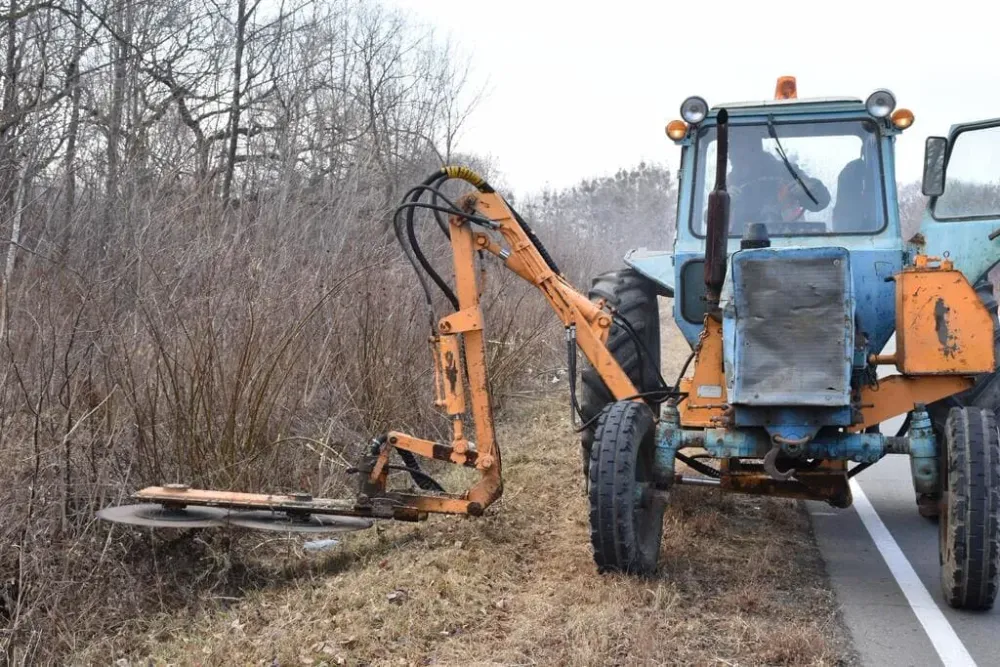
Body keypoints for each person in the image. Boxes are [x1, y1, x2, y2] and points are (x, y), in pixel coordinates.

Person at [725, 127, 831, 233]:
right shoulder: (728, 183)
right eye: (732, 153)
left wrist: (808, 188)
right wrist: (724, 202)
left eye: (740, 152)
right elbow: (715, 222)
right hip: (741, 240)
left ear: (755, 149)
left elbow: (820, 202)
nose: (733, 158)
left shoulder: (787, 172)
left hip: (790, 238)